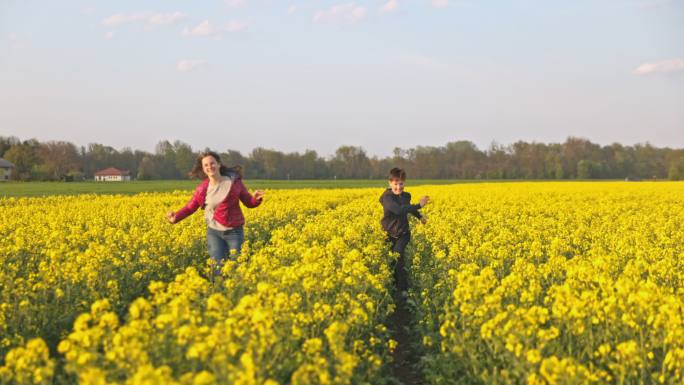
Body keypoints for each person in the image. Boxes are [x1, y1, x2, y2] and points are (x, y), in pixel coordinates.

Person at [166, 151, 264, 276]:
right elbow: (190, 207)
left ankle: (235, 293)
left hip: (234, 232)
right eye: (206, 165)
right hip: (214, 233)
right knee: (217, 268)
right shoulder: (202, 189)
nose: (209, 167)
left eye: (212, 163)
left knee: (236, 268)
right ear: (203, 169)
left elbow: (249, 202)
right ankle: (218, 291)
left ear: (218, 164)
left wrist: (255, 199)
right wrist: (176, 217)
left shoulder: (234, 182)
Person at [379, 167, 429, 292]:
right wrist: (419, 205)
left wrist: (419, 216)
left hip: (403, 233)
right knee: (391, 261)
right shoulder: (387, 197)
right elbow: (398, 209)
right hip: (388, 234)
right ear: (390, 183)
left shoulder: (406, 196)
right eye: (396, 184)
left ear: (404, 183)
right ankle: (392, 286)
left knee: (398, 257)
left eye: (401, 183)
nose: (398, 187)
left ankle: (403, 290)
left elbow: (407, 208)